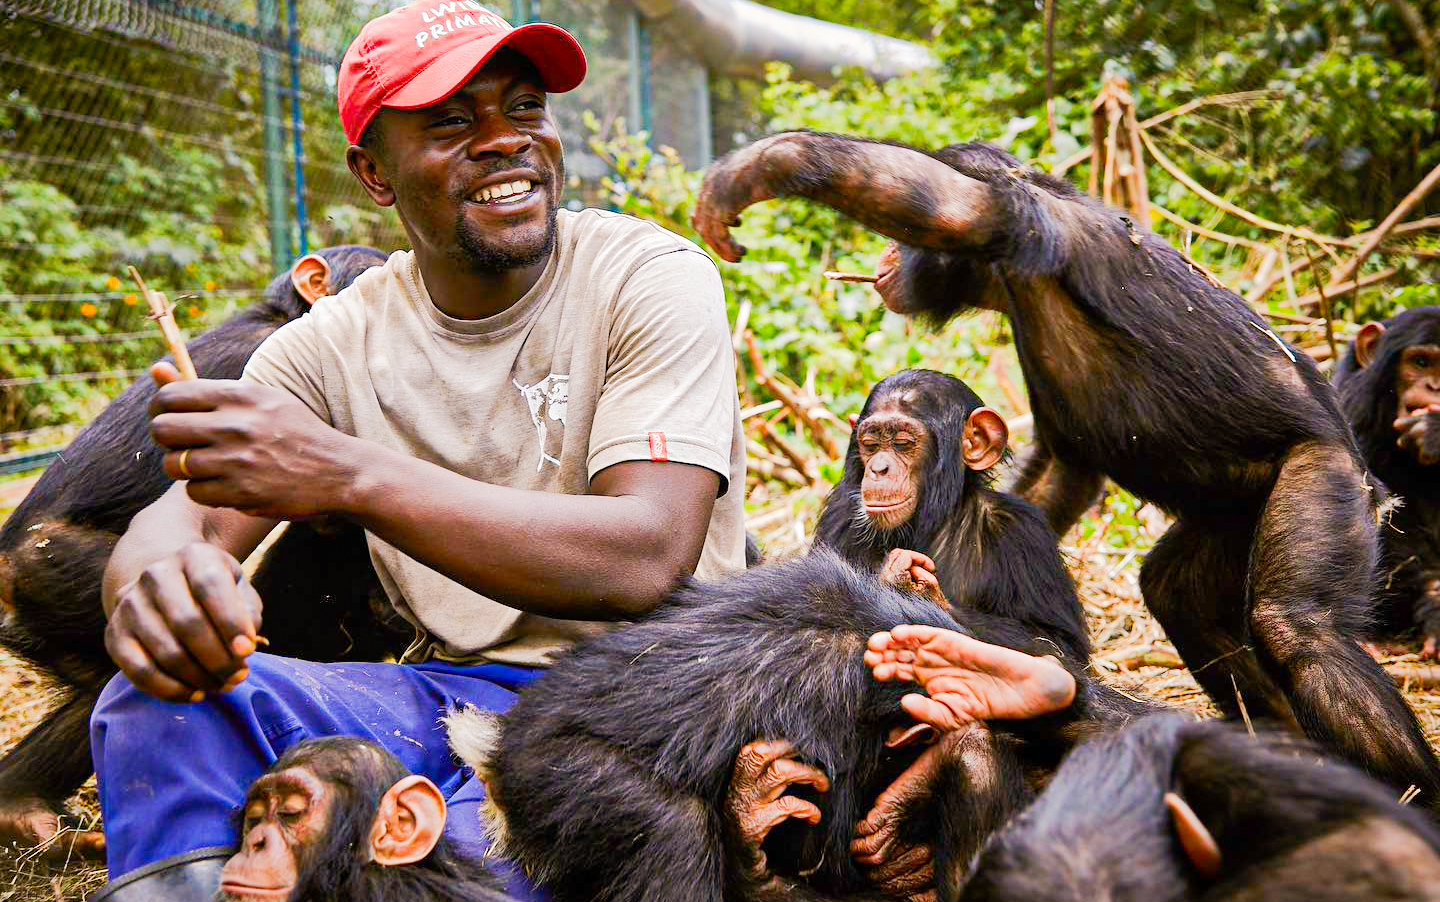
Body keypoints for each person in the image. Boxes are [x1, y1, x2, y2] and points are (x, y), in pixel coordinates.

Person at [88, 5, 746, 898]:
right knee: (151, 700)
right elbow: (179, 527)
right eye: (449, 122)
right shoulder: (331, 344)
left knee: (438, 864)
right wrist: (157, 591)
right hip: (445, 701)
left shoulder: (646, 277)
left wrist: (347, 473)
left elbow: (647, 554)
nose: (504, 142)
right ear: (373, 173)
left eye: (523, 109)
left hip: (643, 705)